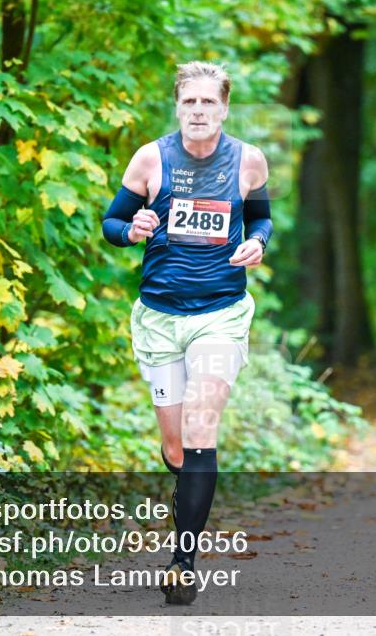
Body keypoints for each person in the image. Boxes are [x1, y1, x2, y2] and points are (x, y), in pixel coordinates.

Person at [101, 61, 272, 605]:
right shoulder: (151, 158)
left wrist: (259, 243)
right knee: (177, 448)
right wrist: (132, 230)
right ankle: (181, 475)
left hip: (221, 313)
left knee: (202, 423)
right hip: (158, 316)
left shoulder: (248, 160)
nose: (198, 111)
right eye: (188, 102)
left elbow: (263, 217)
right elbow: (111, 223)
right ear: (178, 106)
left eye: (208, 103)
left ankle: (183, 561)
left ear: (224, 108)